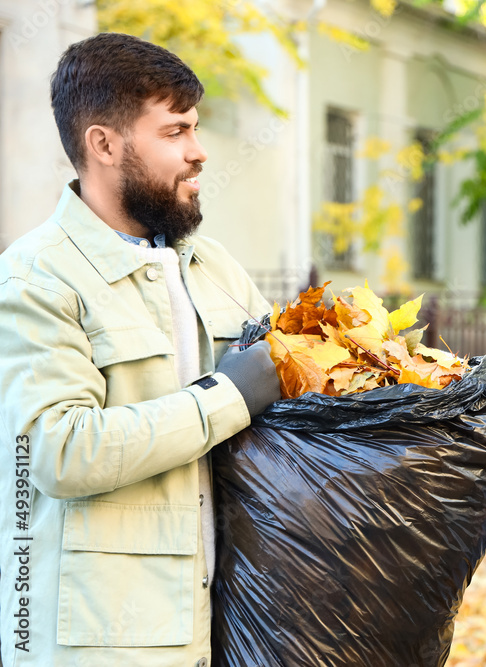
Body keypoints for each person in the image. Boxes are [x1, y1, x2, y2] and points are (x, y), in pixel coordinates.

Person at [0, 33, 280, 666]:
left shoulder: (213, 267)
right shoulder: (36, 278)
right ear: (104, 144)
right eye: (175, 132)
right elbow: (57, 451)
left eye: (196, 129)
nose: (199, 152)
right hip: (100, 644)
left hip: (223, 630)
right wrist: (226, 396)